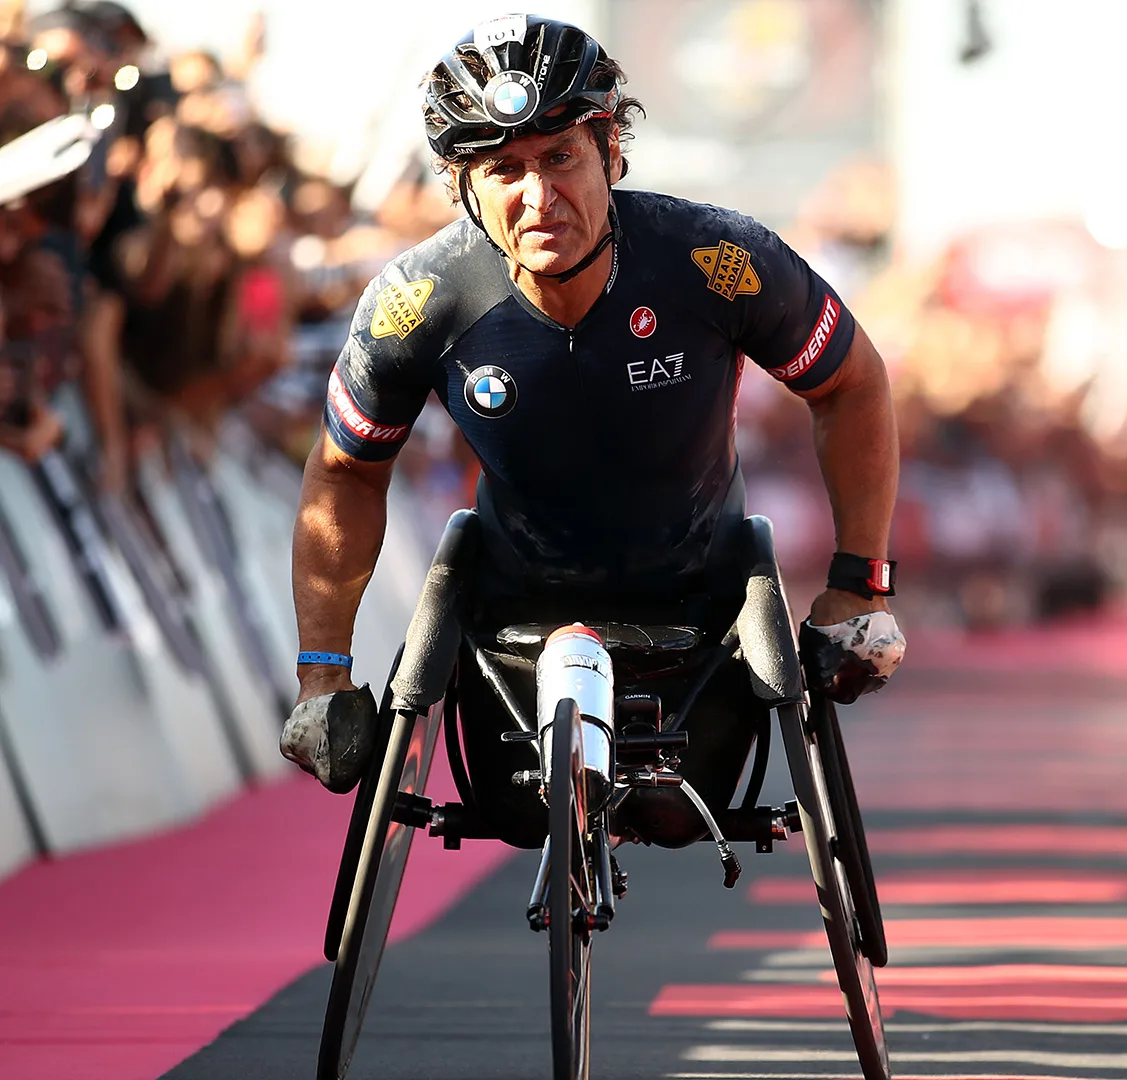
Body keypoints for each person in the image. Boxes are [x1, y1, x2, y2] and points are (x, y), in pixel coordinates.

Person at [279, 16, 905, 845]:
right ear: (462, 187)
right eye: (503, 169)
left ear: (612, 152)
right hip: (512, 609)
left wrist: (861, 583)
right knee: (518, 818)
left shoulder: (716, 258)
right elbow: (346, 474)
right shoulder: (417, 300)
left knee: (675, 818)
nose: (538, 198)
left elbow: (852, 383)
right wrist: (323, 673)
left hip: (701, 605)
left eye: (560, 158)